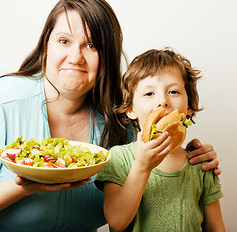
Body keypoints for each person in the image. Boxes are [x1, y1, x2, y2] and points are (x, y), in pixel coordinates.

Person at [0, 0, 220, 231]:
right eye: (63, 41)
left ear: (107, 54)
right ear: (46, 45)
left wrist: (192, 156)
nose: (76, 57)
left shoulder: (122, 121)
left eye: (92, 45)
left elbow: (152, 174)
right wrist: (24, 186)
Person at [95, 48, 225, 231]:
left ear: (189, 107)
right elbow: (116, 222)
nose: (163, 101)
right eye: (149, 94)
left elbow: (216, 227)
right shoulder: (118, 158)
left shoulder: (201, 164)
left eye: (173, 91)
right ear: (130, 109)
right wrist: (142, 165)